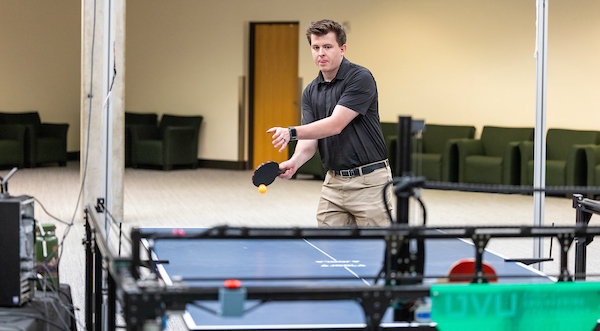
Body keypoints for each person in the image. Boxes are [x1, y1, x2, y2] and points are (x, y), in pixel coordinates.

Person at [267, 19, 392, 227]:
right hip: (333, 184)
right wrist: (295, 161)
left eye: (327, 47)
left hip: (369, 183)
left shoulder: (360, 78)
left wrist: (291, 132)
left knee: (373, 252)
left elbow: (335, 124)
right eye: (315, 47)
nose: (320, 53)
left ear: (342, 49)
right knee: (328, 250)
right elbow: (310, 140)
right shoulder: (311, 91)